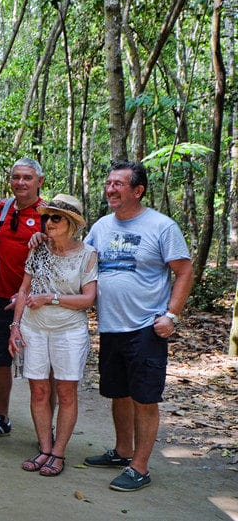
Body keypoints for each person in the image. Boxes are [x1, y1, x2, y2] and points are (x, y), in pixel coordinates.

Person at [83, 161, 193, 492]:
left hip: (147, 327)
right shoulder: (101, 226)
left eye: (118, 184)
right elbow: (80, 258)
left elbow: (184, 271)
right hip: (111, 327)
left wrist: (171, 315)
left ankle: (140, 467)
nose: (110, 189)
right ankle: (122, 451)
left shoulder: (161, 226)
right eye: (108, 183)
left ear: (137, 190)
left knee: (145, 398)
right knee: (119, 392)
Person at [8, 194, 96, 477]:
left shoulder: (87, 254)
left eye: (55, 217)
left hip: (69, 331)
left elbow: (88, 299)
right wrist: (15, 326)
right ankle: (44, 448)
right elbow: (24, 290)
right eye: (46, 217)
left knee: (66, 391)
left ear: (71, 223)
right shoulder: (39, 249)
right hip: (35, 327)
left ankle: (59, 452)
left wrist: (51, 298)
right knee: (39, 389)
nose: (48, 222)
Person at [0, 157, 45, 442]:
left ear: (39, 181)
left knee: (40, 366)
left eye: (27, 177)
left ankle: (45, 427)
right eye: (16, 177)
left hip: (35, 301)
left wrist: (29, 292)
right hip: (0, 295)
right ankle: (1, 418)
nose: (20, 182)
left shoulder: (49, 214)